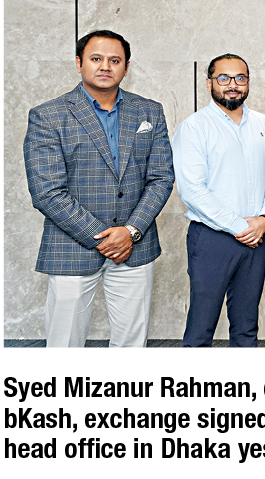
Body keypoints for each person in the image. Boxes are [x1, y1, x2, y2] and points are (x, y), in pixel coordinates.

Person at [24, 29, 175, 347]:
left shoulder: (149, 111)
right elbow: (47, 192)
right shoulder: (48, 116)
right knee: (65, 345)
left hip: (135, 246)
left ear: (126, 67)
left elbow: (161, 177)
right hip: (70, 247)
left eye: (115, 60)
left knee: (131, 344)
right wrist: (106, 238)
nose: (105, 66)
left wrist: (130, 232)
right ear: (79, 63)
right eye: (96, 58)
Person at [174, 53, 265, 347]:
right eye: (223, 78)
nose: (232, 85)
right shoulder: (194, 127)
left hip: (257, 236)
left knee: (247, 325)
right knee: (202, 327)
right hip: (212, 238)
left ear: (248, 82)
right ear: (209, 83)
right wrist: (241, 226)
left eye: (240, 78)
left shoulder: (264, 124)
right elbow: (192, 190)